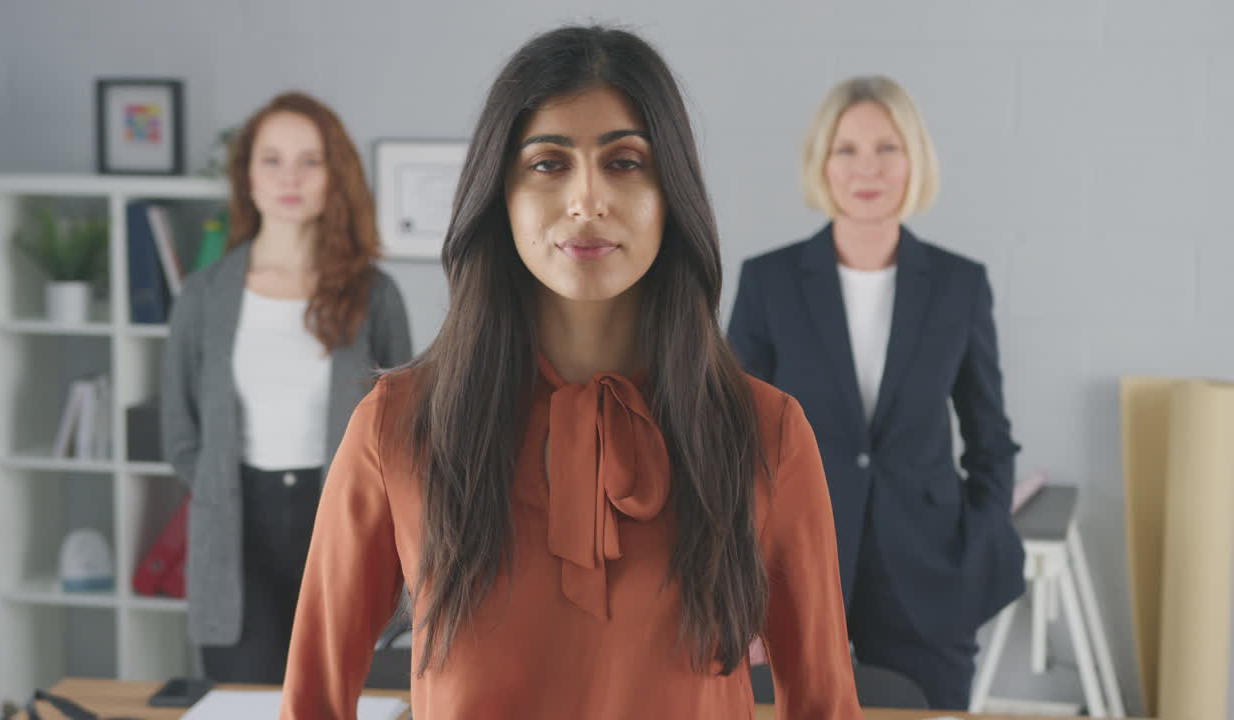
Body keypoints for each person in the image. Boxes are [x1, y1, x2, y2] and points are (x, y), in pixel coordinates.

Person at [281, 25, 862, 720]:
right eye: (549, 164)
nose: (587, 200)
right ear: (500, 194)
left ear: (671, 194)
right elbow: (312, 702)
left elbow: (825, 705)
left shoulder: (766, 433)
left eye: (625, 162)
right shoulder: (396, 425)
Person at [727, 75, 1024, 709]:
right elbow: (733, 440)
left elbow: (990, 439)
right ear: (822, 163)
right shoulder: (769, 282)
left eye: (888, 148)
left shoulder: (960, 285)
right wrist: (744, 564)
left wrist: (976, 544)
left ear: (915, 160)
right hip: (794, 569)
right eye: (847, 149)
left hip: (929, 575)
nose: (868, 168)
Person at [160, 91, 413, 683]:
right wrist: (218, 488)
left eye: (309, 161)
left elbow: (405, 427)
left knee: (341, 695)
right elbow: (180, 431)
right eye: (271, 160)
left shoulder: (374, 295)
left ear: (334, 176)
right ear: (247, 175)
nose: (289, 178)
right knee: (243, 699)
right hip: (235, 529)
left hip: (342, 519)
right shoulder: (203, 295)